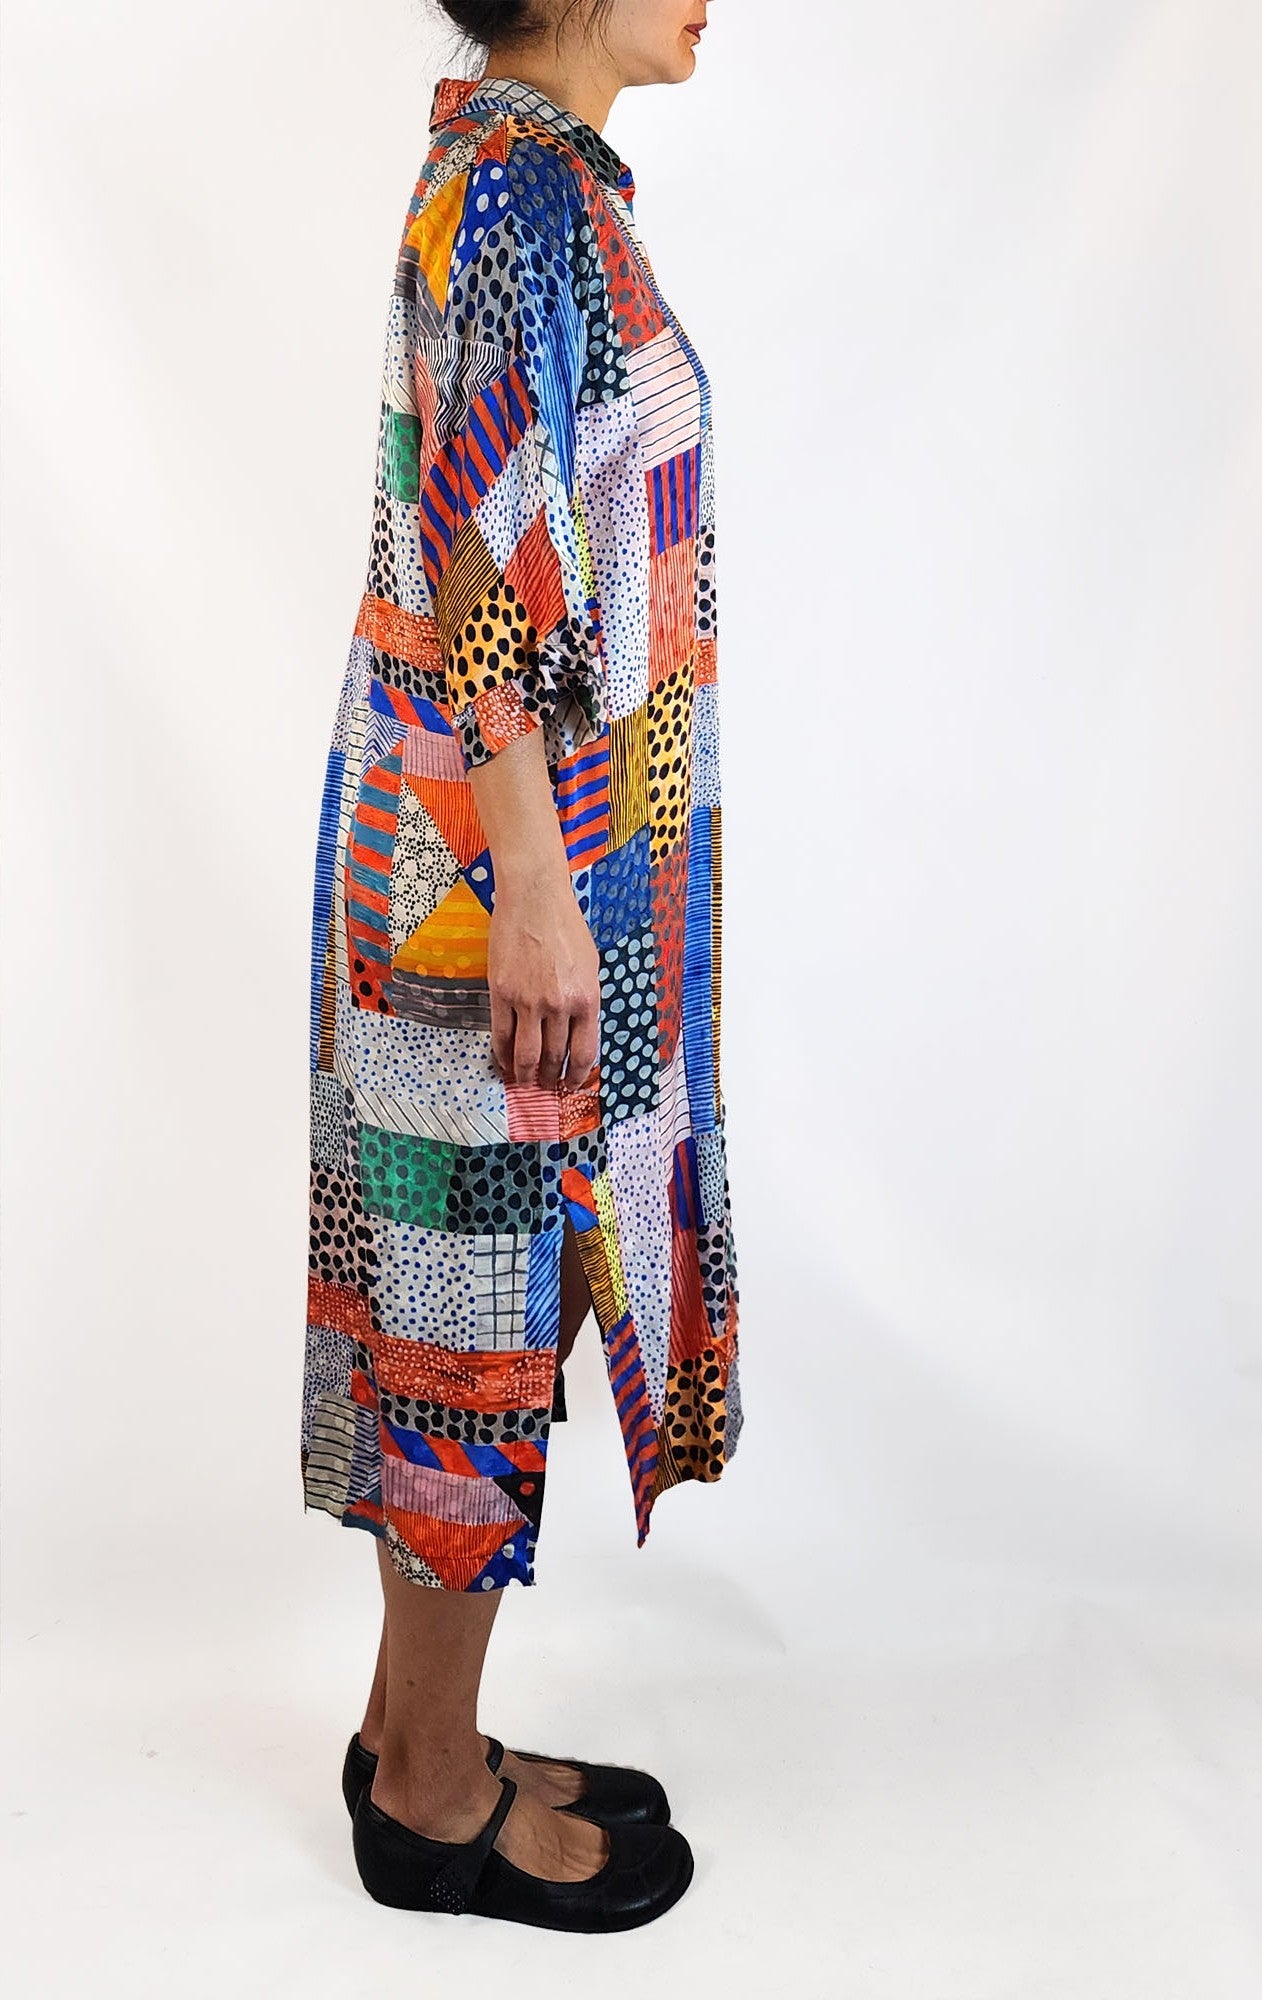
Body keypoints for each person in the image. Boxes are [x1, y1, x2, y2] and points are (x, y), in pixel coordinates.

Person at [302, 0, 740, 1932]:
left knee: (495, 1290)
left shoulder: (539, 180)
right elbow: (483, 564)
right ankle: (425, 1798)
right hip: (494, 870)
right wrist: (542, 885)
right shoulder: (511, 192)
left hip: (532, 845)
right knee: (468, 1313)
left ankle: (423, 1726)